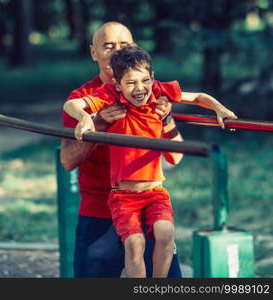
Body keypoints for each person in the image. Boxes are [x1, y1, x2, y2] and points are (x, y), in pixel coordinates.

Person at [63, 45, 238, 277]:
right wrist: (86, 118)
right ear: (117, 84)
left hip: (155, 191)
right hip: (123, 195)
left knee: (165, 232)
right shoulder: (110, 96)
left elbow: (197, 96)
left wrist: (220, 109)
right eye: (131, 82)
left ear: (152, 78)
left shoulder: (157, 92)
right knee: (135, 243)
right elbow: (72, 105)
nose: (140, 88)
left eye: (144, 80)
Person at [60, 22, 183, 278]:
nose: (116, 52)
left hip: (147, 206)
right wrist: (99, 123)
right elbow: (68, 160)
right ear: (94, 53)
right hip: (100, 211)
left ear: (135, 48)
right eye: (108, 46)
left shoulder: (147, 89)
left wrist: (167, 119)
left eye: (124, 45)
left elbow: (176, 155)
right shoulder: (83, 97)